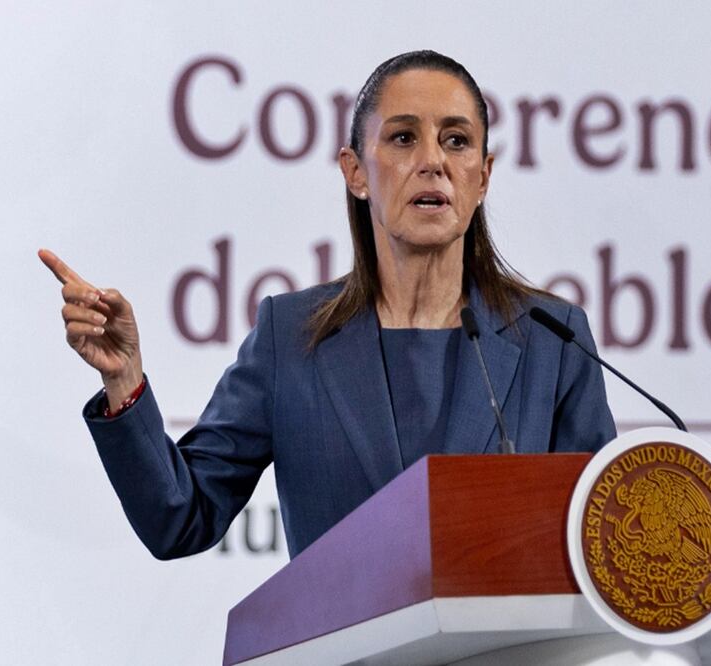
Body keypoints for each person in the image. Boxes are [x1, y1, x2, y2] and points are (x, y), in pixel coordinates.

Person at [39, 50, 616, 561]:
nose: (434, 160)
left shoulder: (551, 340)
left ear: (483, 176)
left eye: (457, 140)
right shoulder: (290, 337)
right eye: (403, 137)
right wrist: (125, 381)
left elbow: (599, 548)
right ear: (355, 172)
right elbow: (179, 519)